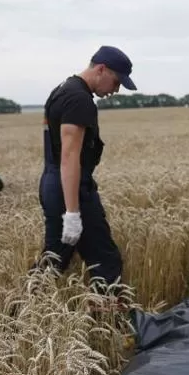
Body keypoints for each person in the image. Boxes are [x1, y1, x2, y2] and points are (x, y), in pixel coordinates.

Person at [33, 45, 136, 305]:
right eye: (116, 81)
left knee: (55, 258)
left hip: (56, 185)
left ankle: (23, 314)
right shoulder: (78, 99)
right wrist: (72, 213)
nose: (115, 90)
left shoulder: (63, 90)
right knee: (104, 260)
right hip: (70, 189)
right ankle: (112, 322)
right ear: (101, 69)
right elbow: (69, 158)